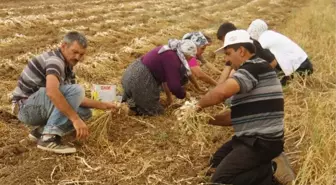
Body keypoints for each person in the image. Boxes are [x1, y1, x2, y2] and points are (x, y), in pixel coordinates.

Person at [196, 30, 285, 185]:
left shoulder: (255, 67)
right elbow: (233, 117)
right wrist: (204, 119)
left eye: (228, 53)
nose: (227, 59)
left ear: (241, 51)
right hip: (249, 139)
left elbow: (221, 92)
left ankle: (266, 172)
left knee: (221, 180)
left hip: (262, 142)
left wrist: (197, 106)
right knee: (214, 164)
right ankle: (262, 169)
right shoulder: (253, 72)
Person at [11, 31, 119, 154]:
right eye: (75, 52)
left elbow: (73, 97)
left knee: (85, 113)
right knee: (77, 94)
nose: (78, 57)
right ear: (63, 46)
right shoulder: (55, 61)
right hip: (25, 108)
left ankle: (40, 132)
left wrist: (103, 105)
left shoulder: (68, 67)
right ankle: (49, 138)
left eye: (81, 54)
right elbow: (52, 92)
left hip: (36, 106)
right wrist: (75, 119)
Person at [121, 39, 196, 116]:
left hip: (131, 73)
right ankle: (134, 107)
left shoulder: (169, 50)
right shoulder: (173, 59)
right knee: (157, 112)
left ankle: (130, 99)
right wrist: (183, 94)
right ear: (187, 55)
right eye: (191, 57)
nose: (191, 59)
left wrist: (169, 98)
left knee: (128, 95)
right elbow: (174, 86)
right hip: (141, 79)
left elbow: (165, 81)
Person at [247, 19, 313, 85]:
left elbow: (257, 56)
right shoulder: (271, 34)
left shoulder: (263, 39)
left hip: (299, 68)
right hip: (306, 64)